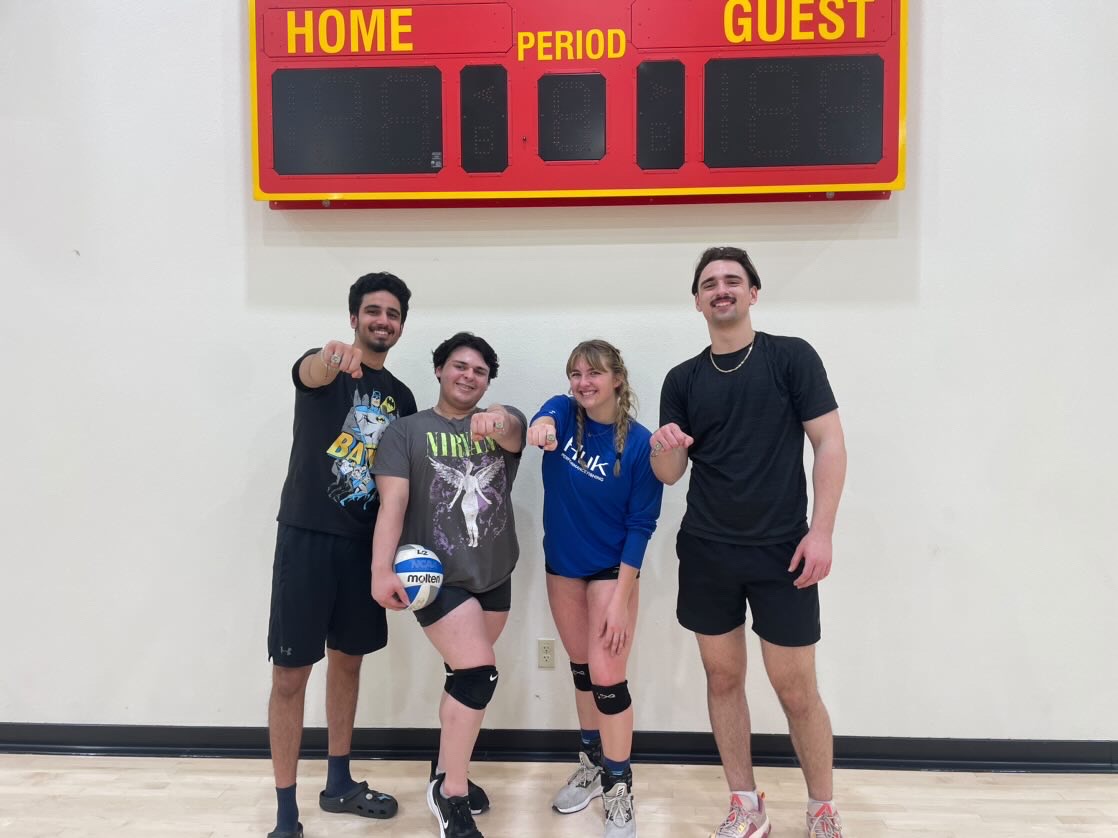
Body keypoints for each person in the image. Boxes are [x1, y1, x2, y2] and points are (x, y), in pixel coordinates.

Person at [650, 247, 848, 838]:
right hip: (708, 550)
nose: (721, 289)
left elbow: (830, 444)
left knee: (795, 687)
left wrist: (823, 531)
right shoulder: (682, 379)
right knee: (723, 679)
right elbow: (669, 475)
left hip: (783, 551)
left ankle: (822, 808)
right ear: (697, 300)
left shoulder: (791, 358)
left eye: (732, 280)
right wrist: (666, 445)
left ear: (753, 293)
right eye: (709, 283)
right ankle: (745, 803)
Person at [266, 272, 418, 838]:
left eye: (393, 314)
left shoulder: (401, 398)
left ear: (401, 325)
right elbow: (309, 369)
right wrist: (329, 358)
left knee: (348, 662)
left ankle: (338, 782)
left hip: (363, 549)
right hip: (306, 537)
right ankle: (286, 815)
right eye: (373, 311)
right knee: (290, 675)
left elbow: (399, 484)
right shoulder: (324, 370)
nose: (383, 321)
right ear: (353, 316)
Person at [370, 332, 526, 838]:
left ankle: (445, 768)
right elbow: (392, 505)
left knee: (464, 678)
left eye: (480, 371)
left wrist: (498, 417)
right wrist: (380, 570)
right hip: (434, 579)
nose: (468, 376)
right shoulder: (405, 433)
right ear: (439, 370)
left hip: (495, 573)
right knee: (478, 674)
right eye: (459, 366)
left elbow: (516, 430)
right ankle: (451, 793)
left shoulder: (498, 425)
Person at [526, 340, 664, 838]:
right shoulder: (563, 415)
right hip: (562, 566)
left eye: (594, 374)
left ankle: (619, 786)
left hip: (611, 570)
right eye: (576, 373)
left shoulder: (641, 445)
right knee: (582, 669)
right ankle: (589, 763)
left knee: (607, 676)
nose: (583, 382)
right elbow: (544, 416)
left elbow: (641, 525)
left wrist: (623, 599)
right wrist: (539, 426)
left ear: (617, 380)